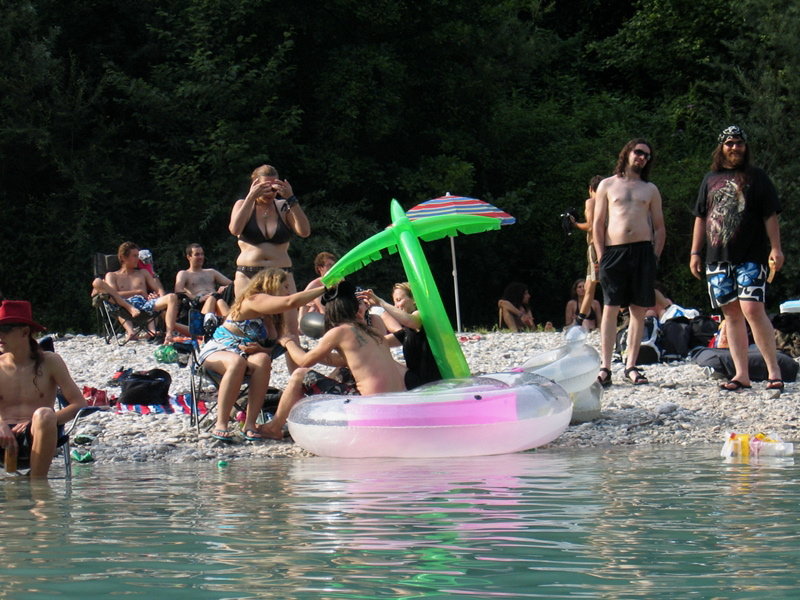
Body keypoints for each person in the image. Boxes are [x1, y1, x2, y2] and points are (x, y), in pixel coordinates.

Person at [690, 125, 784, 391]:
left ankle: (773, 372)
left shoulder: (757, 177)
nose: (734, 148)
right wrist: (695, 252)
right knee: (730, 314)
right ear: (721, 147)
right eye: (729, 143)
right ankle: (741, 375)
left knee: (753, 309)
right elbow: (701, 217)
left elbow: (770, 215)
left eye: (739, 143)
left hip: (751, 255)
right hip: (717, 257)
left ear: (745, 147)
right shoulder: (710, 179)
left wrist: (776, 249)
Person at [257, 281, 408, 440]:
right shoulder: (372, 332)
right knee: (344, 371)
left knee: (300, 375)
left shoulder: (339, 332)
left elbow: (303, 362)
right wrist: (312, 352)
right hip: (392, 404)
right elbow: (341, 360)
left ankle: (274, 427)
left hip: (367, 407)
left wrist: (288, 341)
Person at [197, 268, 326, 441]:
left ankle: (250, 423)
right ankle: (222, 423)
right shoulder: (253, 299)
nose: (288, 291)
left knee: (263, 359)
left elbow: (272, 347)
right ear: (272, 284)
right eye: (285, 286)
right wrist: (325, 287)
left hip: (246, 354)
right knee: (236, 362)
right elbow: (290, 302)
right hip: (219, 349)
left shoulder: (272, 316)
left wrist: (261, 349)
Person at [594, 139, 665, 386]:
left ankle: (631, 366)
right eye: (639, 152)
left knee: (638, 310)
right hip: (614, 251)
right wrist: (602, 256)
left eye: (647, 155)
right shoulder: (607, 185)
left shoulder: (650, 189)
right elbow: (597, 224)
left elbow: (659, 226)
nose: (642, 158)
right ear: (628, 153)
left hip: (643, 252)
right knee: (611, 308)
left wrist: (655, 255)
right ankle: (605, 367)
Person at [0, 301, 87, 477]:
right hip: (2, 434)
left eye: (6, 328)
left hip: (37, 434)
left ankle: (39, 490)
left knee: (44, 414)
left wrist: (41, 421)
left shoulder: (50, 362)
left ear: (25, 332)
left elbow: (79, 404)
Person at [229, 165, 311, 336]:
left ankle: (297, 362)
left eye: (274, 187)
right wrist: (251, 197)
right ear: (255, 185)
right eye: (265, 186)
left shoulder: (283, 207)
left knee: (289, 331)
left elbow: (304, 232)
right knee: (245, 329)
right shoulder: (243, 205)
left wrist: (292, 199)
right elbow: (235, 229)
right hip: (248, 274)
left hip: (281, 273)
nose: (270, 191)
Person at [92, 241, 183, 342]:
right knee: (97, 282)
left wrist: (158, 297)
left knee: (172, 297)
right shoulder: (112, 275)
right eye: (134, 256)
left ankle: (169, 335)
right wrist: (138, 291)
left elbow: (158, 288)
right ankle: (130, 326)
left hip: (144, 304)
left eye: (137, 255)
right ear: (123, 257)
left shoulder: (143, 273)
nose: (137, 259)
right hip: (123, 306)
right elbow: (114, 294)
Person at [360, 282, 442, 388]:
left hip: (427, 382)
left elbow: (409, 320)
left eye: (399, 300)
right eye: (394, 302)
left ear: (414, 299)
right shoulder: (408, 331)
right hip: (419, 382)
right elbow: (380, 342)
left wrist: (381, 302)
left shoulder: (421, 317)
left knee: (385, 362)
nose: (396, 306)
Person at [570, 175, 604, 327]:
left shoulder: (591, 201)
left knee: (594, 283)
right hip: (610, 246)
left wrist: (575, 224)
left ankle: (578, 321)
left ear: (591, 189)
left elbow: (590, 226)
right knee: (594, 283)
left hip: (595, 246)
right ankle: (579, 321)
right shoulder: (610, 202)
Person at [174, 243, 233, 324]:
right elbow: (178, 290)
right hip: (199, 304)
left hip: (216, 299)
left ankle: (229, 325)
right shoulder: (184, 274)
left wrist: (225, 287)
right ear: (189, 257)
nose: (201, 257)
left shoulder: (211, 272)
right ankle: (229, 324)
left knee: (216, 299)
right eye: (197, 254)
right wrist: (197, 298)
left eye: (202, 254)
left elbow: (233, 284)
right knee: (213, 298)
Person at [298, 252, 337, 319]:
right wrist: (300, 322)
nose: (332, 268)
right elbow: (303, 303)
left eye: (333, 265)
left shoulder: (338, 281)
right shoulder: (315, 284)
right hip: (318, 319)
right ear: (320, 268)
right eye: (329, 265)